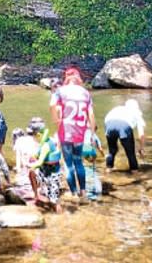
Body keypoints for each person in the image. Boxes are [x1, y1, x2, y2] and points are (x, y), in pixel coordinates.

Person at [50, 65, 95, 202]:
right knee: (78, 162)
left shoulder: (60, 91)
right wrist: (92, 134)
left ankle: (74, 193)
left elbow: (52, 105)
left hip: (66, 130)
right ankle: (83, 191)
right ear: (78, 78)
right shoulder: (86, 93)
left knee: (68, 164)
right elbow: (91, 115)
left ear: (66, 78)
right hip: (79, 132)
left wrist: (56, 120)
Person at [104, 98, 146, 172]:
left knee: (112, 150)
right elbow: (141, 135)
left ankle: (109, 169)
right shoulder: (136, 112)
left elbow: (107, 120)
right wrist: (141, 148)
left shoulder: (117, 108)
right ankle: (134, 172)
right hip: (124, 125)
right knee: (130, 153)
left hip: (109, 124)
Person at [29, 126, 64, 213]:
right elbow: (38, 155)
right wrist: (34, 157)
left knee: (54, 201)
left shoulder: (46, 145)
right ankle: (36, 195)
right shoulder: (45, 141)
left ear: (38, 135)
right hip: (44, 172)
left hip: (53, 174)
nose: (34, 139)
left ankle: (62, 217)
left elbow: (40, 162)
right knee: (31, 173)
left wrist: (29, 164)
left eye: (34, 136)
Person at [82, 127, 103, 200]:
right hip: (89, 149)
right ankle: (94, 192)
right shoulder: (94, 135)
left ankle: (85, 188)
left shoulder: (83, 131)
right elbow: (100, 148)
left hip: (82, 148)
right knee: (92, 168)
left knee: (84, 167)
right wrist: (103, 155)